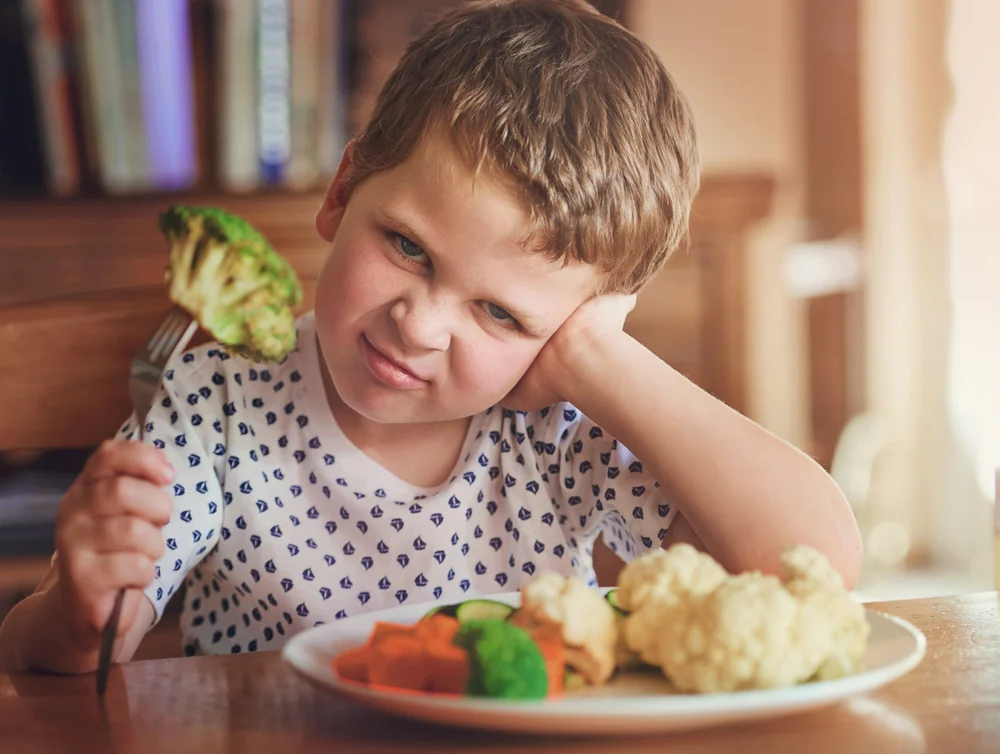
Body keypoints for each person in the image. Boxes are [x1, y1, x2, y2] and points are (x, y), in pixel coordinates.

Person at [0, 0, 861, 672]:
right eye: (407, 246)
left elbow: (809, 568)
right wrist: (81, 608)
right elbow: (62, 651)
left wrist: (599, 361)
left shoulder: (562, 430)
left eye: (501, 313)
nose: (419, 323)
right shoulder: (215, 399)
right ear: (342, 194)